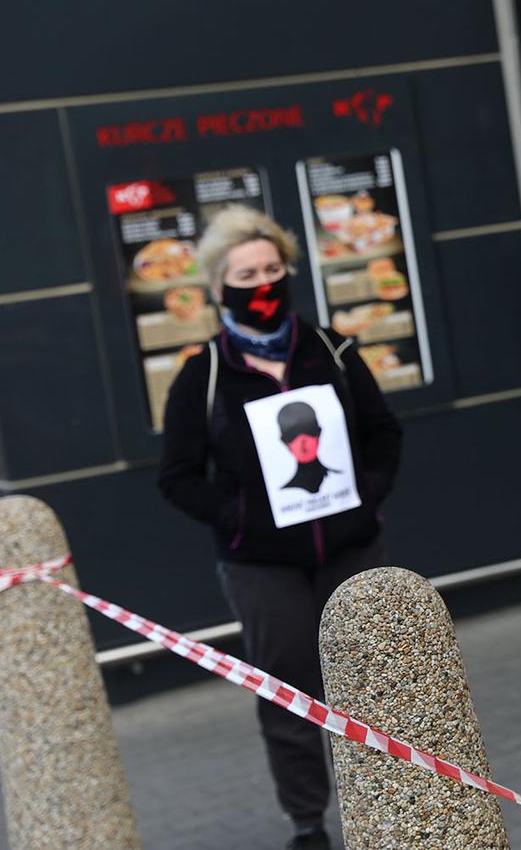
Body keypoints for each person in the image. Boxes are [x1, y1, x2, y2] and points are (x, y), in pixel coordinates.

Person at [158, 205, 402, 850]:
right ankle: (308, 825)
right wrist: (238, 520)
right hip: (262, 567)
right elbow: (177, 475)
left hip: (351, 548)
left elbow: (382, 434)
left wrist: (366, 495)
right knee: (289, 694)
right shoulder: (202, 375)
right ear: (219, 289)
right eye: (246, 274)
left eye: (273, 268)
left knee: (377, 683)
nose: (263, 283)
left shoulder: (331, 349)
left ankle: (393, 805)